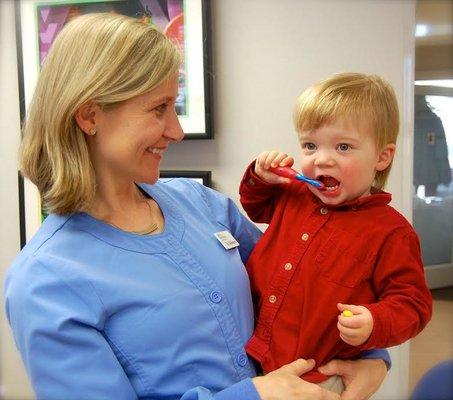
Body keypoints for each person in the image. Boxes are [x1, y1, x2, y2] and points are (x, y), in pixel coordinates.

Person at [4, 14, 389, 400]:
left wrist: (372, 355)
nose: (177, 130)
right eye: (159, 108)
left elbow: (298, 284)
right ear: (90, 115)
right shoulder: (44, 283)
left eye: (175, 106)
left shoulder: (200, 203)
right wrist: (254, 396)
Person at [239, 72, 433, 393]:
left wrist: (374, 322)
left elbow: (413, 304)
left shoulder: (392, 233)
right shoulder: (293, 194)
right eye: (310, 145)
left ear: (382, 157)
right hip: (254, 357)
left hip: (319, 377)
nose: (322, 159)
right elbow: (256, 207)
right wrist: (261, 177)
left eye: (343, 147)